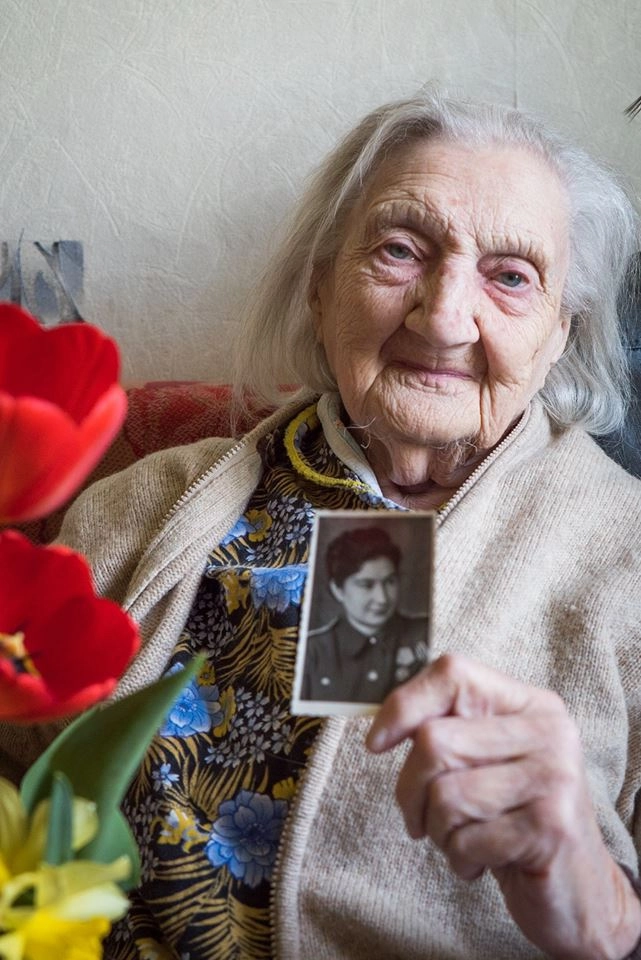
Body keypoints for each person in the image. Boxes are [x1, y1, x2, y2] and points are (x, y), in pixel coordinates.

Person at [3, 88, 641, 959]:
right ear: (320, 288)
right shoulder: (136, 506)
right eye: (400, 249)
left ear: (559, 331)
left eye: (510, 276)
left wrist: (602, 914)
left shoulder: (626, 556)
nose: (443, 316)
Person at [301, 524, 429, 702]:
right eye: (366, 585)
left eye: (390, 582)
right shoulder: (313, 651)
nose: (382, 598)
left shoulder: (425, 632)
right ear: (338, 589)